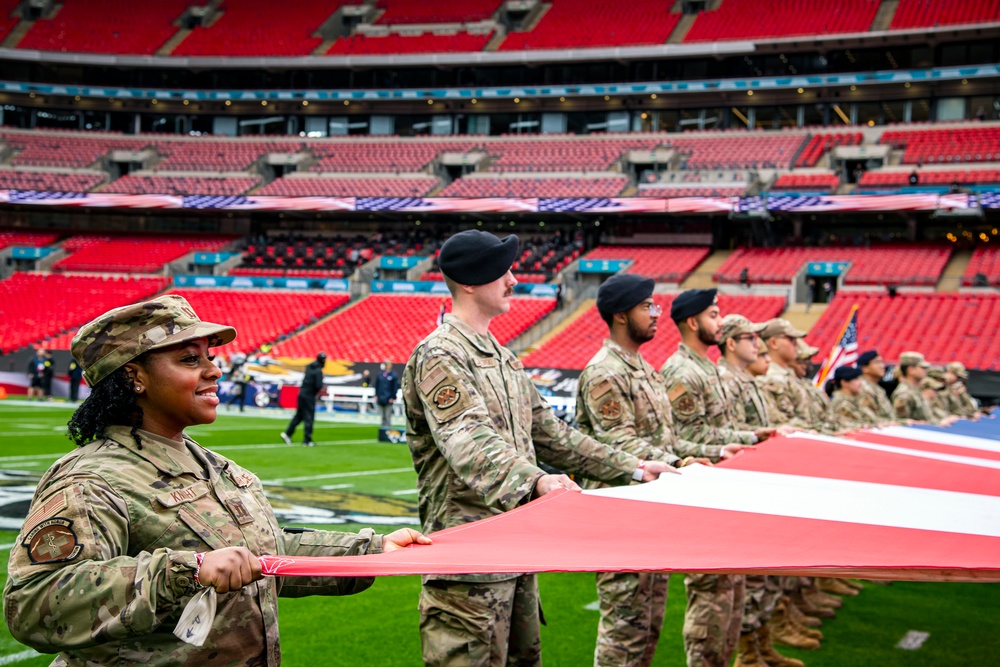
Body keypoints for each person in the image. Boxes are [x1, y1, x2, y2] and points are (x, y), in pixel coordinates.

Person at [3, 294, 430, 665]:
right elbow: (33, 603)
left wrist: (373, 549)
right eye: (190, 359)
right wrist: (186, 572)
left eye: (210, 356)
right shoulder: (92, 479)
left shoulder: (216, 466)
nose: (214, 370)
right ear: (134, 377)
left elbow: (267, 555)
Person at [401, 230, 672, 667]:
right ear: (470, 282)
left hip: (516, 554)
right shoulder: (441, 354)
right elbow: (467, 439)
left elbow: (554, 436)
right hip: (469, 566)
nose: (513, 281)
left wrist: (636, 468)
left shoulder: (505, 360)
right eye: (503, 272)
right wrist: (538, 480)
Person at [576, 274, 707, 667]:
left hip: (650, 513)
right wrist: (682, 464)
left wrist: (704, 455)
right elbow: (619, 442)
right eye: (646, 306)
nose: (656, 314)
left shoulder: (644, 369)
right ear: (620, 314)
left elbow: (666, 439)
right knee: (625, 633)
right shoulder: (605, 371)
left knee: (648, 628)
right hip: (620, 518)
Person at [660, 289, 776, 667]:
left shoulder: (707, 368)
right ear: (693, 322)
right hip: (705, 492)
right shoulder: (681, 370)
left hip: (727, 489)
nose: (720, 322)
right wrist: (741, 441)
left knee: (731, 593)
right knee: (710, 596)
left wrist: (747, 439)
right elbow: (681, 438)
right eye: (713, 315)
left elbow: (719, 429)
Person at [716, 315, 806, 667]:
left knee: (764, 576)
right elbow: (729, 431)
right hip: (739, 489)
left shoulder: (746, 379)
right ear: (731, 342)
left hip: (760, 485)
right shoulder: (727, 378)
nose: (756, 344)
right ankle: (750, 653)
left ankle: (760, 646)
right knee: (747, 581)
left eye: (757, 337)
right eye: (749, 337)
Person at [280, 352, 326, 446]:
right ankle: (307, 440)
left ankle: (288, 433)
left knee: (299, 415)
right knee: (309, 417)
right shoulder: (318, 371)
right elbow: (318, 385)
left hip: (302, 393)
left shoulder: (309, 367)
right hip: (309, 395)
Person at [829, 365, 881, 431]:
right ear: (844, 383)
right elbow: (856, 425)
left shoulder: (855, 400)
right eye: (856, 379)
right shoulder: (841, 403)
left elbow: (872, 419)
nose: (861, 382)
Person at [891, 351, 935, 423]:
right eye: (922, 367)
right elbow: (900, 422)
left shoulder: (915, 390)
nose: (926, 370)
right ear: (910, 370)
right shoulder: (904, 393)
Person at [857, 350, 896, 424]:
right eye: (877, 362)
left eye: (882, 362)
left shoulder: (877, 388)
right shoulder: (863, 388)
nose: (882, 366)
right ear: (865, 368)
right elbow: (869, 419)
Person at [374, 361, 400, 427]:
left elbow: (395, 387)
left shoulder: (393, 375)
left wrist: (392, 397)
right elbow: (377, 385)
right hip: (380, 397)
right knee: (382, 415)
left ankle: (387, 429)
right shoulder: (380, 374)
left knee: (387, 415)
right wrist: (376, 395)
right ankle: (383, 428)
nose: (387, 366)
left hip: (389, 398)